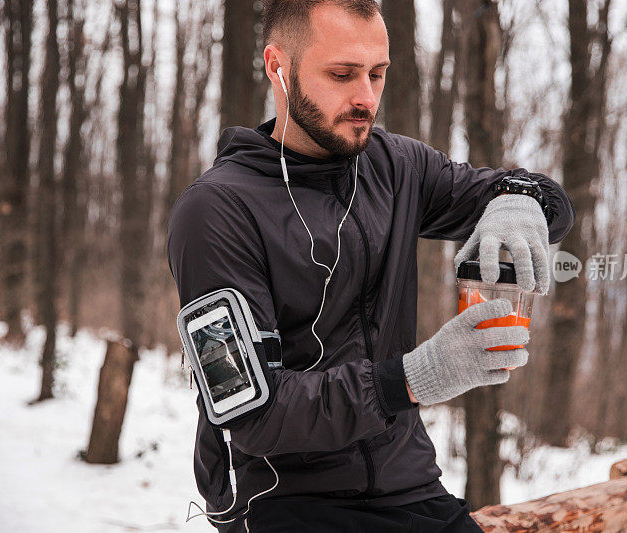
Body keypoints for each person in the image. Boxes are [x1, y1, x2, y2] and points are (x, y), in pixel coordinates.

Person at [167, 1, 575, 531]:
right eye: (341, 74)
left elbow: (542, 199)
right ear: (277, 66)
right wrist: (412, 379)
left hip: (409, 486)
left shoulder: (396, 167)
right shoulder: (216, 212)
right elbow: (251, 416)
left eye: (377, 74)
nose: (365, 97)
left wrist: (520, 202)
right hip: (282, 502)